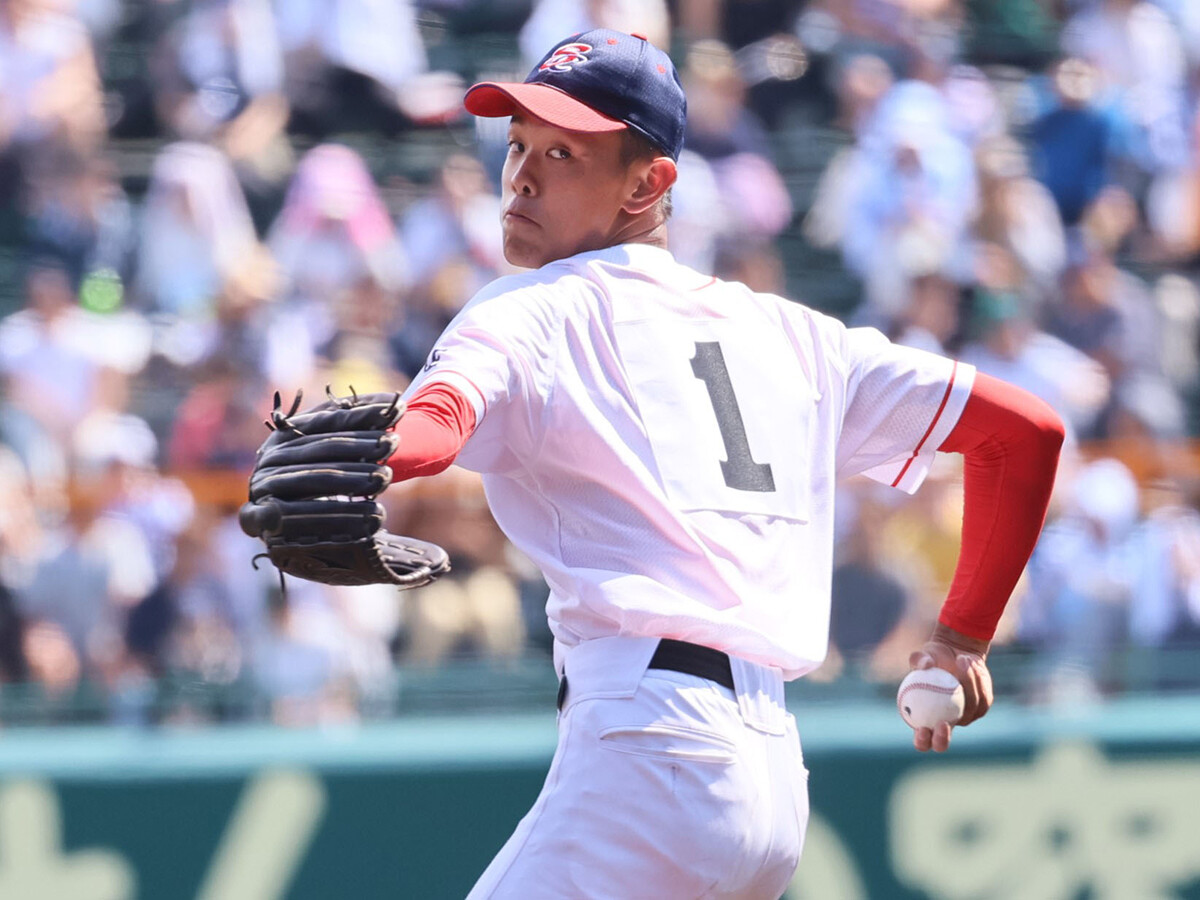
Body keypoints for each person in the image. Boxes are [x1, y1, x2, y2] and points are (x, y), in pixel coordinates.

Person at [384, 30, 1065, 899]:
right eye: (517, 145)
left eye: (562, 152)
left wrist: (373, 456)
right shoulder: (796, 336)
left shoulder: (536, 305)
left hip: (645, 747)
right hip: (771, 780)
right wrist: (961, 641)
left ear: (649, 182)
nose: (521, 174)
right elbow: (1026, 433)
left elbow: (438, 423)